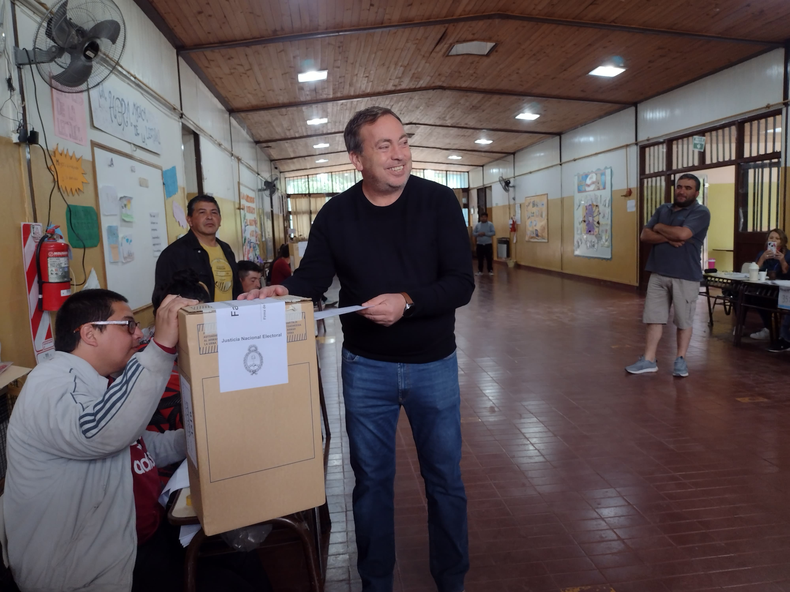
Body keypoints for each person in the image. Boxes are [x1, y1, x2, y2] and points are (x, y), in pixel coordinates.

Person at [241, 106, 474, 592]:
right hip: (367, 367)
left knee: (445, 481)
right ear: (356, 158)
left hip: (434, 363)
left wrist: (407, 302)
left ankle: (452, 580)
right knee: (370, 483)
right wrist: (280, 292)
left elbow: (460, 284)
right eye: (384, 145)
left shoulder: (438, 203)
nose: (399, 154)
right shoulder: (336, 214)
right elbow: (311, 279)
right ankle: (375, 582)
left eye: (403, 141)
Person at [2, 289, 196, 591]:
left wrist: (194, 440)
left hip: (137, 543)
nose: (137, 336)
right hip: (78, 573)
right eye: (128, 325)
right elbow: (100, 432)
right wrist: (159, 348)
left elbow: (137, 446)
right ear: (90, 333)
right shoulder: (51, 382)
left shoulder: (100, 382)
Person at [626, 174, 710, 377]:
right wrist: (668, 237)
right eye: (679, 187)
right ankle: (648, 360)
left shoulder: (700, 212)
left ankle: (680, 360)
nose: (682, 191)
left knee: (684, 321)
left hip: (685, 275)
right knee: (653, 318)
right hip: (658, 272)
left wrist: (660, 228)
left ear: (696, 192)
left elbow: (683, 235)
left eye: (688, 188)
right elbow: (644, 235)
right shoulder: (663, 209)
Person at [153, 195, 242, 302]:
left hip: (229, 315)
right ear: (189, 220)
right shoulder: (174, 253)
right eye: (202, 212)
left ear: (220, 219)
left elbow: (236, 287)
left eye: (214, 212)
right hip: (198, 317)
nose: (209, 217)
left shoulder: (226, 248)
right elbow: (161, 297)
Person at [749, 229, 790, 340]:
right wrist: (762, 259)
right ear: (767, 241)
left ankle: (777, 331)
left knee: (766, 299)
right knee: (752, 297)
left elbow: (787, 273)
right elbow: (754, 270)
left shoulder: (787, 254)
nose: (774, 241)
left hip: (782, 289)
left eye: (777, 239)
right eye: (771, 238)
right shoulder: (762, 253)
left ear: (782, 241)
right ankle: (768, 327)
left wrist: (782, 260)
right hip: (765, 286)